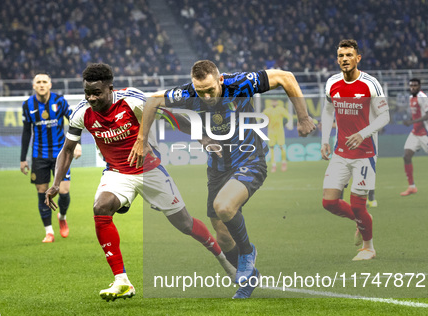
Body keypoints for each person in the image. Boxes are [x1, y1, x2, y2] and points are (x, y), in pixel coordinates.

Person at [45, 63, 233, 302]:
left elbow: (170, 117)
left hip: (150, 171)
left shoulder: (131, 101)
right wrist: (56, 182)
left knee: (185, 224)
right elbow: (68, 149)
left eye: (97, 93)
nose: (91, 98)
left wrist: (203, 138)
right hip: (117, 173)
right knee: (100, 206)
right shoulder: (81, 113)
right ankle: (122, 281)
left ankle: (224, 260)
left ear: (110, 88)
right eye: (87, 93)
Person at [131, 60, 316, 298]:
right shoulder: (188, 93)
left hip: (250, 160)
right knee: (223, 236)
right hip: (217, 167)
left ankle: (248, 252)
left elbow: (285, 77)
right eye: (201, 92)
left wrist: (302, 117)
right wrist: (142, 139)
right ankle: (250, 278)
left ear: (219, 80)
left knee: (224, 207)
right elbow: (153, 101)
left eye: (210, 90)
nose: (206, 96)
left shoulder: (238, 83)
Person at [320, 39, 390, 261]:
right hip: (341, 152)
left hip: (365, 153)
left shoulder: (370, 83)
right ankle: (361, 222)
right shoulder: (332, 82)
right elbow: (328, 111)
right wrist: (325, 140)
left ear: (358, 58)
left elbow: (385, 116)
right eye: (341, 55)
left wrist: (363, 133)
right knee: (329, 202)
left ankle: (368, 247)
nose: (344, 59)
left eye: (349, 55)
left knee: (358, 205)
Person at [20, 72, 81, 243]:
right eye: (38, 82)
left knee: (64, 191)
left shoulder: (59, 101)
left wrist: (77, 144)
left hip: (62, 154)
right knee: (42, 192)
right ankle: (49, 232)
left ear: (50, 84)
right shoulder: (27, 105)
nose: (41, 84)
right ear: (34, 86)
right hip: (39, 155)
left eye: (44, 81)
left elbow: (75, 121)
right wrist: (23, 158)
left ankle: (62, 216)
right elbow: (26, 132)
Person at [400, 78, 428, 196]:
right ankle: (412, 187)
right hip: (415, 132)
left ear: (419, 86)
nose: (413, 87)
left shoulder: (422, 97)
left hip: (426, 132)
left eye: (415, 85)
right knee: (406, 156)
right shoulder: (410, 97)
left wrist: (411, 121)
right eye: (411, 86)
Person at [263, 99, 290, 172]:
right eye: (272, 101)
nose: (273, 102)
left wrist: (289, 123)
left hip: (279, 131)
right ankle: (273, 165)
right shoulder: (268, 110)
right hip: (271, 132)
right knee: (271, 148)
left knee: (281, 146)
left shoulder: (281, 109)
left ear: (277, 102)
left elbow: (288, 116)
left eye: (275, 101)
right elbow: (260, 116)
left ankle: (284, 163)